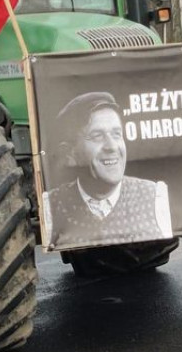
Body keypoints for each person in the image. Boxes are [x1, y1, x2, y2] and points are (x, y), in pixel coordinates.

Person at [42, 91, 172, 249]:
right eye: (97, 136)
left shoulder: (154, 196)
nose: (112, 146)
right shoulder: (52, 205)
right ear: (70, 154)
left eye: (117, 134)